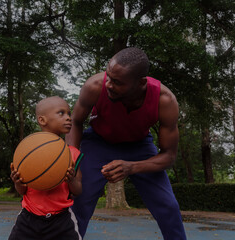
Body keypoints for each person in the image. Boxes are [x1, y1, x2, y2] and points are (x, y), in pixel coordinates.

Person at [66, 47, 187, 239]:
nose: (109, 84)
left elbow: (169, 157)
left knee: (169, 206)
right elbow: (75, 121)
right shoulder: (95, 85)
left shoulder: (164, 101)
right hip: (98, 142)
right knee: (78, 201)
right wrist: (73, 159)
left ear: (140, 83)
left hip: (139, 146)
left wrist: (132, 167)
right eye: (109, 76)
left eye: (117, 82)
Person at [9, 96, 83, 240]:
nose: (68, 118)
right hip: (29, 218)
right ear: (42, 120)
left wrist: (72, 180)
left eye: (69, 113)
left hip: (61, 220)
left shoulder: (73, 153)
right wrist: (17, 183)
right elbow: (23, 191)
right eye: (61, 113)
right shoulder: (27, 151)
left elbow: (78, 191)